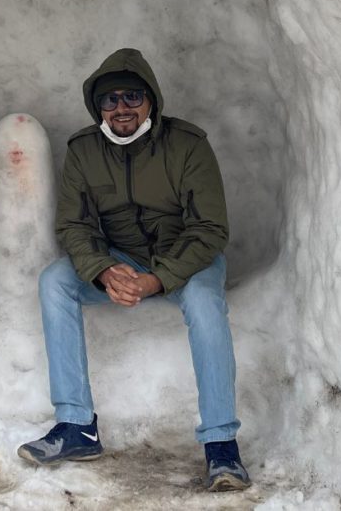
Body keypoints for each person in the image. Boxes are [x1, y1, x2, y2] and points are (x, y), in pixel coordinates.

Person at [17, 48, 250, 492]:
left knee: (204, 302)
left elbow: (209, 228)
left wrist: (158, 278)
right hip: (120, 262)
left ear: (151, 100)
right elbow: (74, 225)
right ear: (98, 107)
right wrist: (104, 271)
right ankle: (76, 426)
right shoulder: (84, 151)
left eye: (131, 97)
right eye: (110, 100)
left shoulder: (187, 146)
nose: (121, 107)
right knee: (55, 282)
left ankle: (222, 446)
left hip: (186, 260)